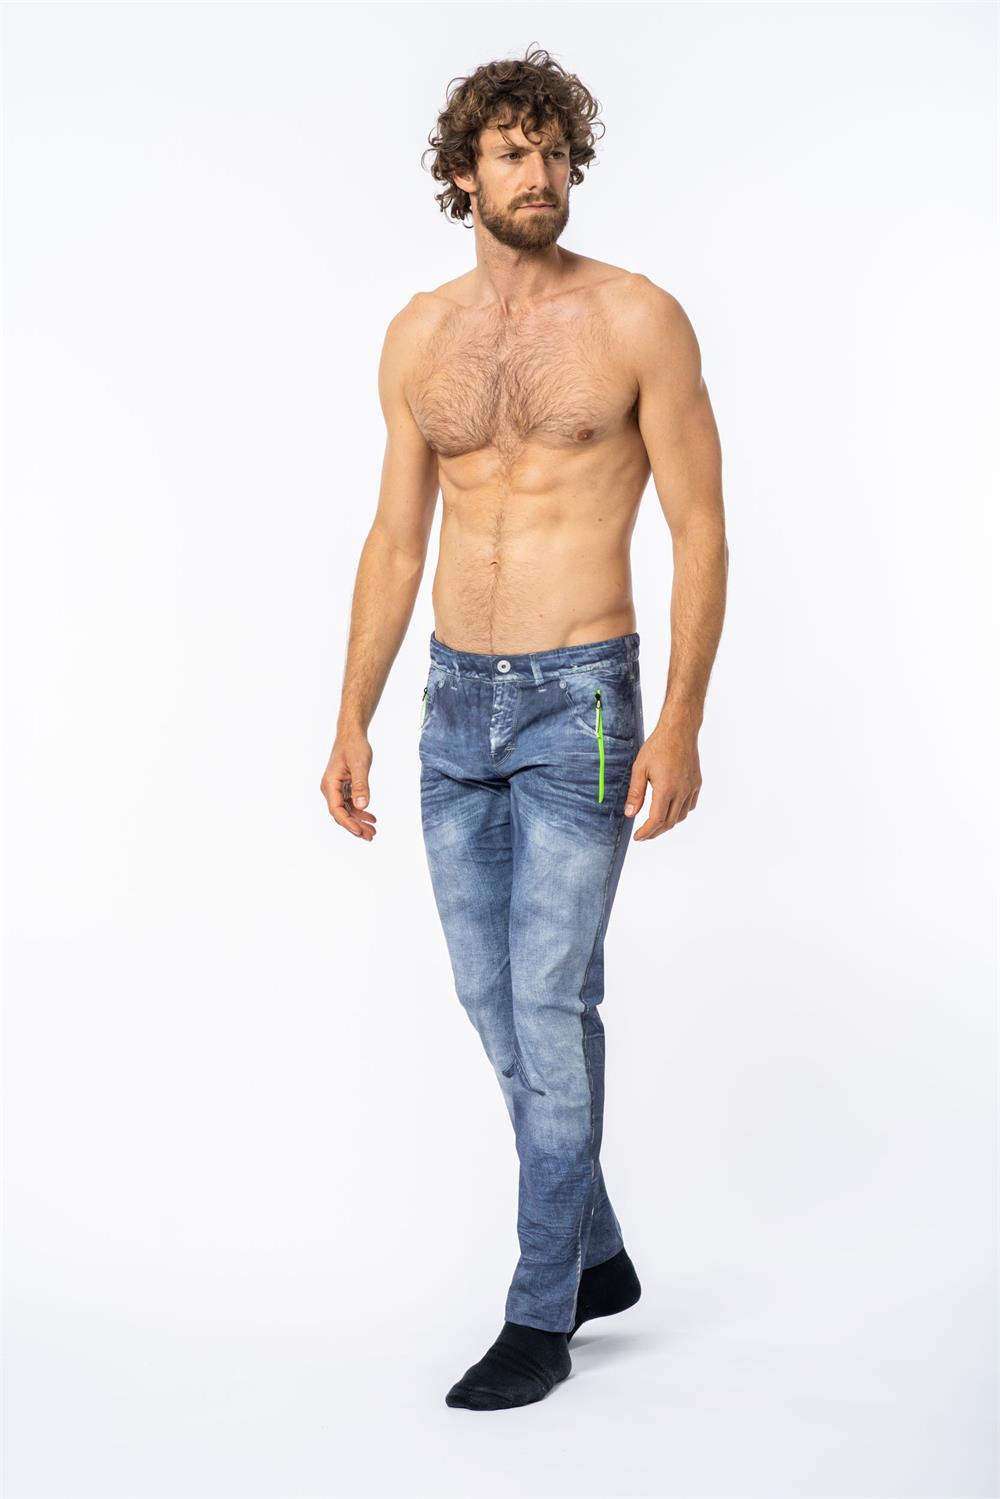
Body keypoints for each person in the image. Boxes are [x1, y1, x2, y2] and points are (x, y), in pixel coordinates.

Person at [320, 45, 728, 1410]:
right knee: (490, 1000)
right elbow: (395, 539)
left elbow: (701, 526)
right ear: (464, 174)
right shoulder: (418, 335)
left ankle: (539, 1308)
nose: (540, 173)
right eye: (512, 152)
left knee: (552, 1003)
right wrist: (351, 713)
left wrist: (681, 718)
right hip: (451, 707)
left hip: (584, 704)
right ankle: (597, 1250)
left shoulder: (637, 319)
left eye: (556, 151)